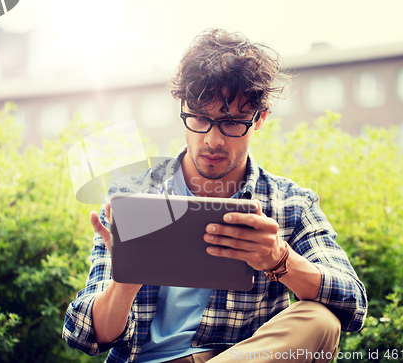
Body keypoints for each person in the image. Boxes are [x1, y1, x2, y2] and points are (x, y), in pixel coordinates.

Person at [63, 29, 367, 363]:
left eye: (232, 123)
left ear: (259, 119)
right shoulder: (133, 197)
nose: (212, 140)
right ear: (183, 110)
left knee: (320, 321)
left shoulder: (289, 204)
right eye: (200, 118)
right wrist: (126, 281)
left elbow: (353, 305)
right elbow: (86, 337)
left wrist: (280, 260)